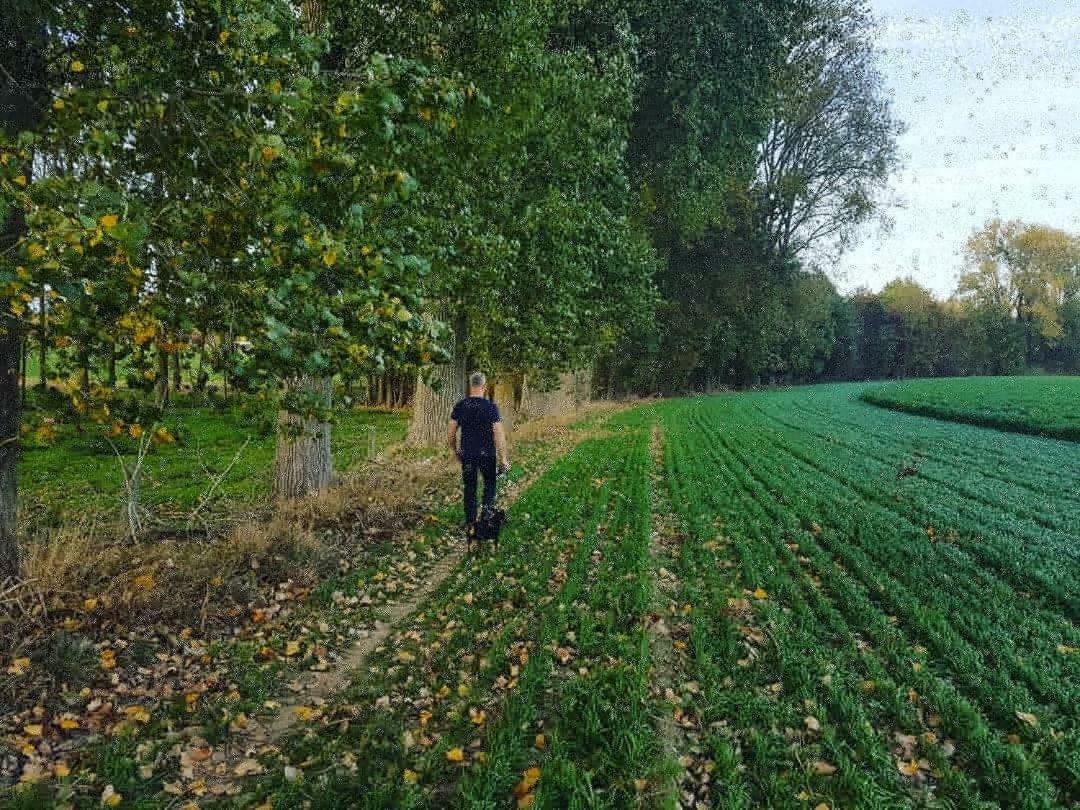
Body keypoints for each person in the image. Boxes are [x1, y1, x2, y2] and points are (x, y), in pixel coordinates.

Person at [448, 371, 510, 535]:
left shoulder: (461, 406)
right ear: (484, 387)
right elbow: (499, 434)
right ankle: (485, 517)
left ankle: (470, 524)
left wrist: (455, 452)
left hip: (467, 455)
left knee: (470, 487)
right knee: (490, 484)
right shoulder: (490, 407)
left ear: (470, 386)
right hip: (487, 455)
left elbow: (451, 433)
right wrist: (503, 459)